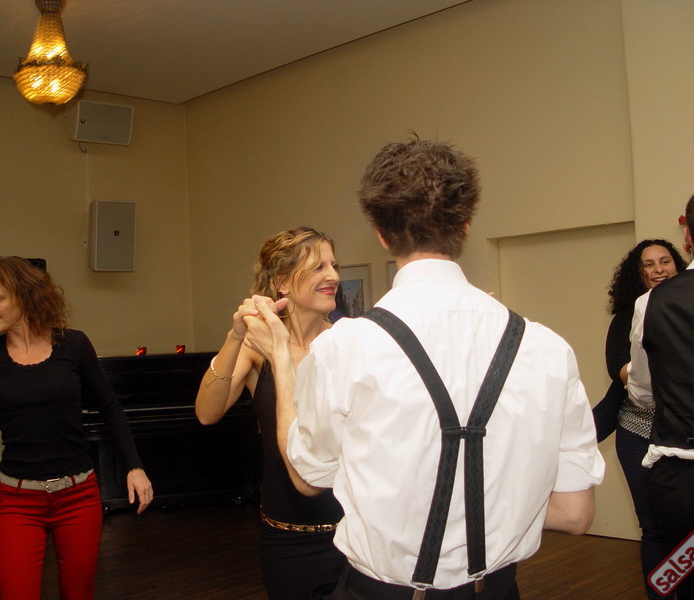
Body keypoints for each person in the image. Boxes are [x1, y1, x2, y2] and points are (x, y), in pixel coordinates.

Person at [244, 136, 605, 599]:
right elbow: (575, 515)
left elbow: (306, 477)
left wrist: (279, 356)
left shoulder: (347, 346)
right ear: (466, 226)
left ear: (381, 232)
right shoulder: (547, 349)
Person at [0, 256, 153, 600]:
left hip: (78, 497)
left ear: (24, 295)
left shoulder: (74, 345)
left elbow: (109, 407)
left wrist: (134, 466)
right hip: (18, 502)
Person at [195, 226, 346, 600]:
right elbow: (207, 413)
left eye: (334, 265)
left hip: (353, 532)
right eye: (318, 267)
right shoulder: (257, 346)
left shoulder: (347, 342)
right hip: (286, 537)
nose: (332, 276)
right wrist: (235, 337)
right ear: (281, 282)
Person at [628, 184, 694, 599]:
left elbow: (642, 391)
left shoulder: (651, 302)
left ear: (688, 236)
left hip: (678, 486)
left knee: (691, 586)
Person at [595, 239, 685, 600]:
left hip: (687, 435)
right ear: (639, 273)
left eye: (665, 261)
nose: (659, 269)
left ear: (678, 266)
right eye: (649, 264)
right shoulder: (626, 319)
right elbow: (620, 371)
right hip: (638, 434)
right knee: (653, 528)